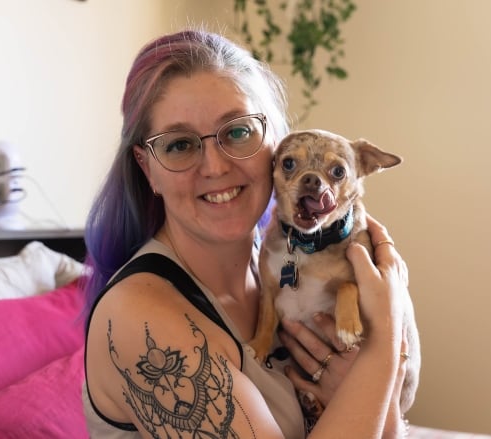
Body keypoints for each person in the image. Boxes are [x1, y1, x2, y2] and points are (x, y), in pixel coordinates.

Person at [82, 29, 414, 438]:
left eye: (238, 132)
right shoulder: (140, 319)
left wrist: (365, 381)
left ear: (274, 144)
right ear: (147, 167)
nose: (216, 167)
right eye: (180, 145)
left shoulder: (281, 268)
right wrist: (384, 347)